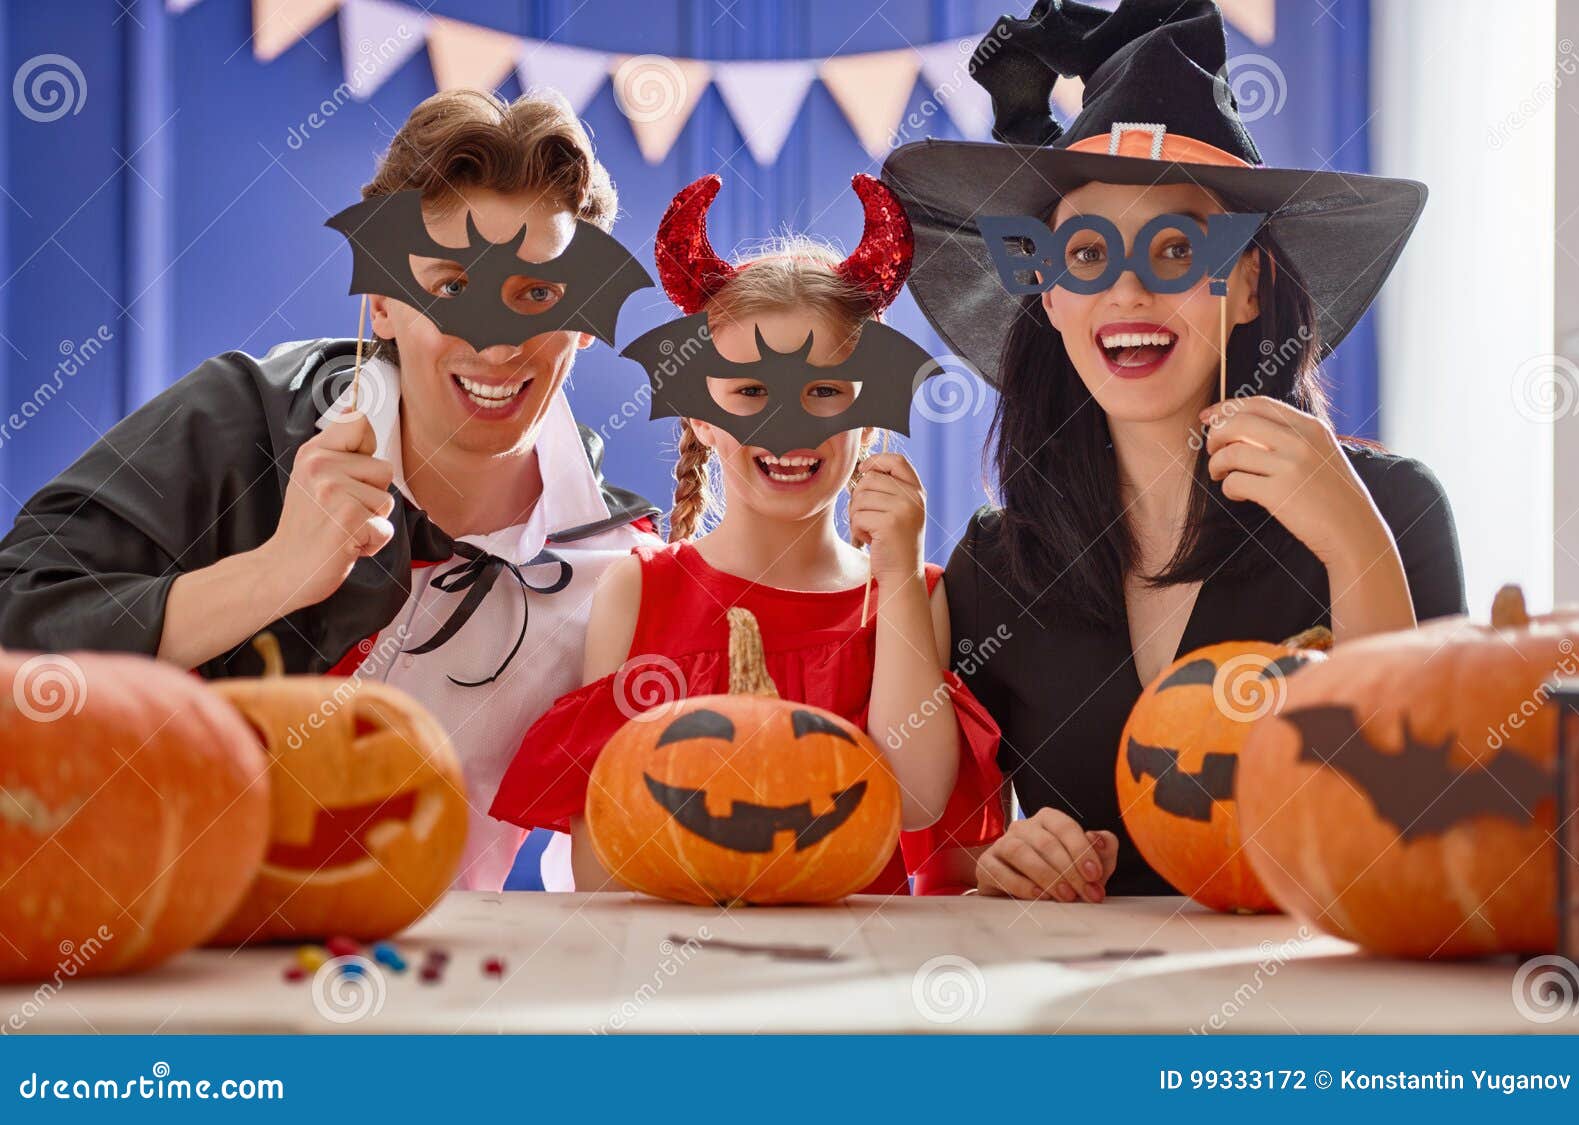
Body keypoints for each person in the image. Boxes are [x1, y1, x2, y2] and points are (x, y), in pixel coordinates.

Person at [0, 89, 660, 893]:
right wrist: (277, 573)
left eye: (538, 294)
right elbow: (18, 624)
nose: (496, 339)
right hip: (157, 947)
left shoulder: (616, 573)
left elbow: (621, 861)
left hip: (427, 990)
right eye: (451, 287)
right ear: (380, 299)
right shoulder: (238, 420)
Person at [882, 0, 1466, 900]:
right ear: (1045, 291)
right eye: (1085, 252)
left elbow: (1425, 815)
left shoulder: (1391, 513)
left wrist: (1357, 548)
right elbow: (942, 837)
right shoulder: (997, 567)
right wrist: (1003, 865)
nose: (1125, 290)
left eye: (1175, 248)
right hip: (1081, 1021)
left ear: (1246, 286)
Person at [490, 174, 1004, 893]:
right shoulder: (638, 591)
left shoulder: (910, 595)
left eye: (825, 391)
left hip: (850, 978)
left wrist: (897, 571)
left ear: (868, 414)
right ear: (701, 413)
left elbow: (915, 799)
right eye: (751, 392)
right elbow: (603, 865)